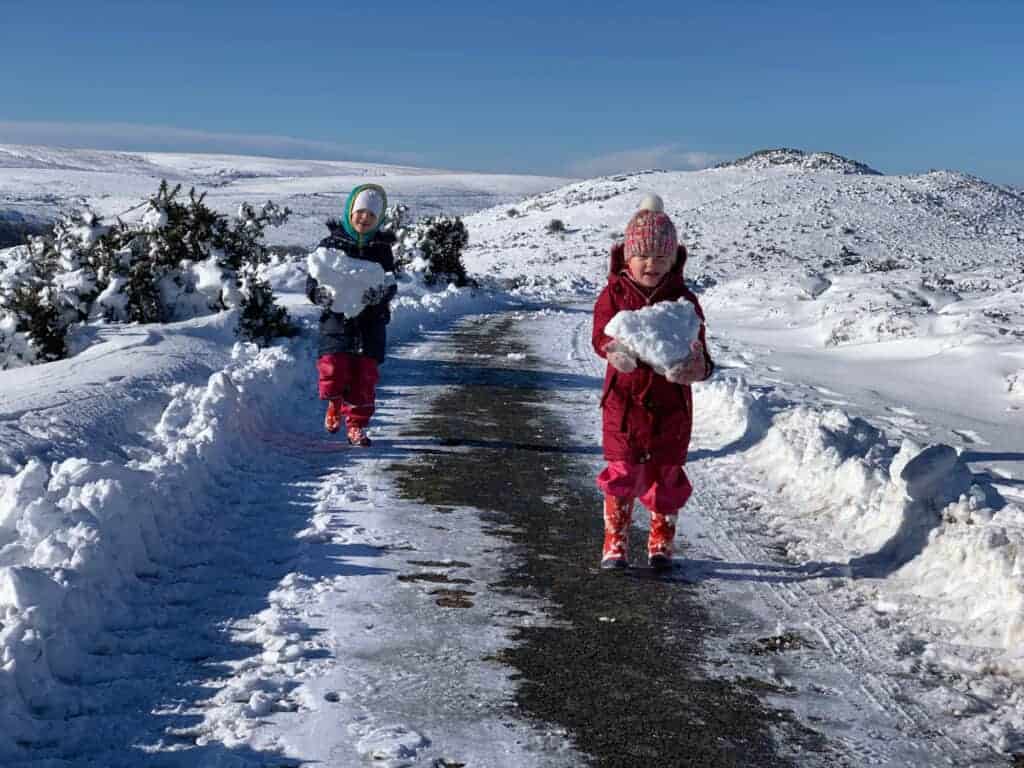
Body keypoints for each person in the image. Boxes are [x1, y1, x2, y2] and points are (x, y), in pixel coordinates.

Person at [591, 194, 714, 570]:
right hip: (623, 403)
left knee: (666, 474)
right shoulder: (614, 294)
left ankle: (661, 541)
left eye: (661, 258)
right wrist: (613, 350)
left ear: (673, 260)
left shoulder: (684, 301)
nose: (651, 265)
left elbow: (702, 351)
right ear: (628, 257)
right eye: (643, 256)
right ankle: (616, 540)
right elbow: (600, 335)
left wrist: (698, 368)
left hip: (671, 405)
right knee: (622, 472)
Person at [306, 183, 397, 447]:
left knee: (364, 378)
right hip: (336, 322)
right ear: (350, 212)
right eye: (360, 212)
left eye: (371, 215)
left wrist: (380, 295)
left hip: (370, 323)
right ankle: (334, 403)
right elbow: (312, 279)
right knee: (334, 368)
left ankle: (356, 425)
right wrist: (317, 294)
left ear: (379, 218)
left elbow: (390, 283)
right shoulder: (331, 245)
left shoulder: (381, 250)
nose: (365, 219)